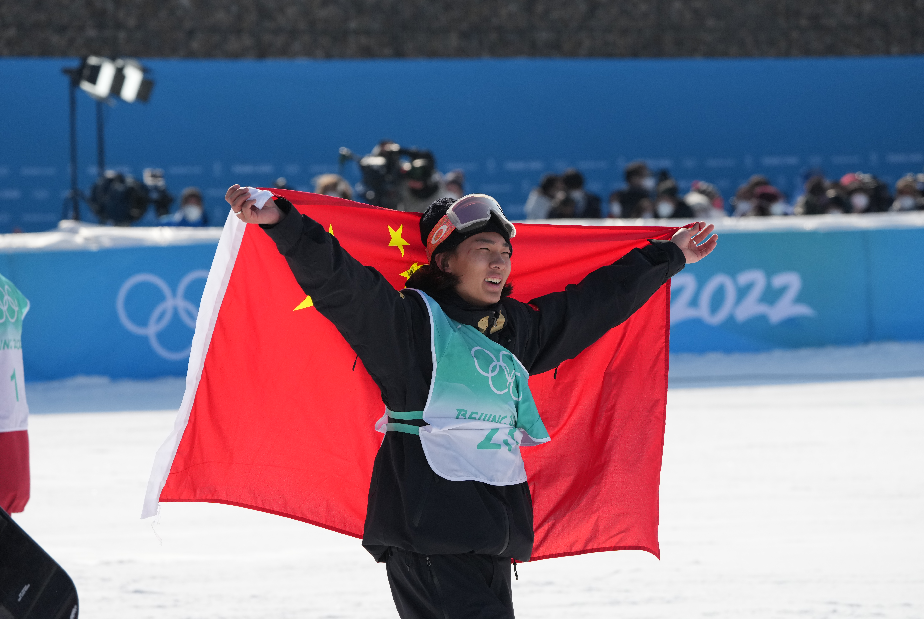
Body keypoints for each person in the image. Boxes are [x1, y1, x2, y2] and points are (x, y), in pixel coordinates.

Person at [224, 185, 717, 619]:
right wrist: (283, 223)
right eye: (483, 249)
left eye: (504, 251)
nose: (499, 261)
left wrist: (666, 257)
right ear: (444, 261)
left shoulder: (517, 330)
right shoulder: (411, 328)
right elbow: (343, 285)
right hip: (430, 535)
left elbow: (593, 304)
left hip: (490, 536)